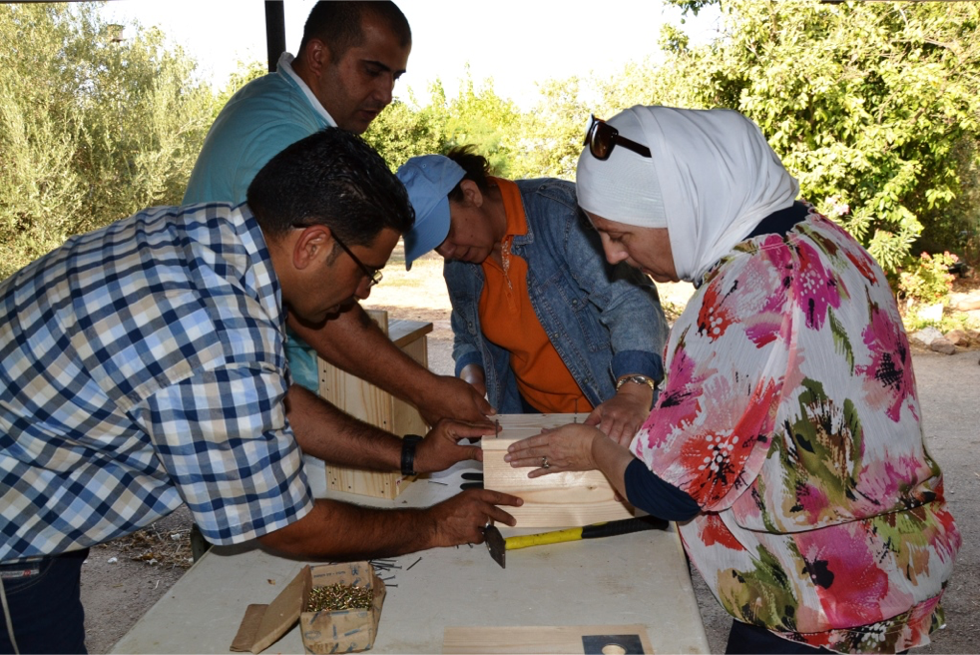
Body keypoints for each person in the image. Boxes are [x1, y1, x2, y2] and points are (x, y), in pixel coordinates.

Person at [0, 128, 521, 655]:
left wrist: (411, 455)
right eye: (367, 272)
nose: (364, 292)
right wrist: (434, 525)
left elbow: (274, 405)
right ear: (312, 244)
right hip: (12, 533)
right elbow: (286, 526)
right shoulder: (216, 333)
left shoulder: (211, 237)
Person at [505, 106, 961, 655]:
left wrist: (591, 447)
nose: (614, 255)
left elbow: (666, 492)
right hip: (890, 564)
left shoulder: (750, 287)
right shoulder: (826, 240)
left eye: (620, 234)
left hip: (816, 604)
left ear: (683, 204)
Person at [184, 0, 490, 426]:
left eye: (395, 76)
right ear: (318, 56)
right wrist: (427, 389)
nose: (386, 94)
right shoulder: (283, 134)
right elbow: (313, 303)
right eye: (372, 70)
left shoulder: (277, 104)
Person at [396, 148, 669, 444]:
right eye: (435, 245)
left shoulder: (560, 214)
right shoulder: (460, 265)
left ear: (471, 193)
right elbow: (467, 335)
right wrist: (472, 381)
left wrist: (633, 390)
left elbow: (630, 302)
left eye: (445, 234)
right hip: (532, 420)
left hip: (610, 413)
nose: (446, 251)